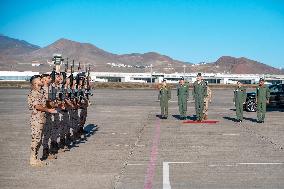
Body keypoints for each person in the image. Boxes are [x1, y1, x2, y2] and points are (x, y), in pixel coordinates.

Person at [27, 75, 56, 167]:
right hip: (36, 119)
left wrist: (53, 104)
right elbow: (37, 106)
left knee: (39, 140)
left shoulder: (41, 92)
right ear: (35, 83)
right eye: (40, 79)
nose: (42, 80)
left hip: (42, 118)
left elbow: (46, 103)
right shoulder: (34, 93)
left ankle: (35, 158)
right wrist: (48, 110)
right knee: (36, 139)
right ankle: (32, 159)